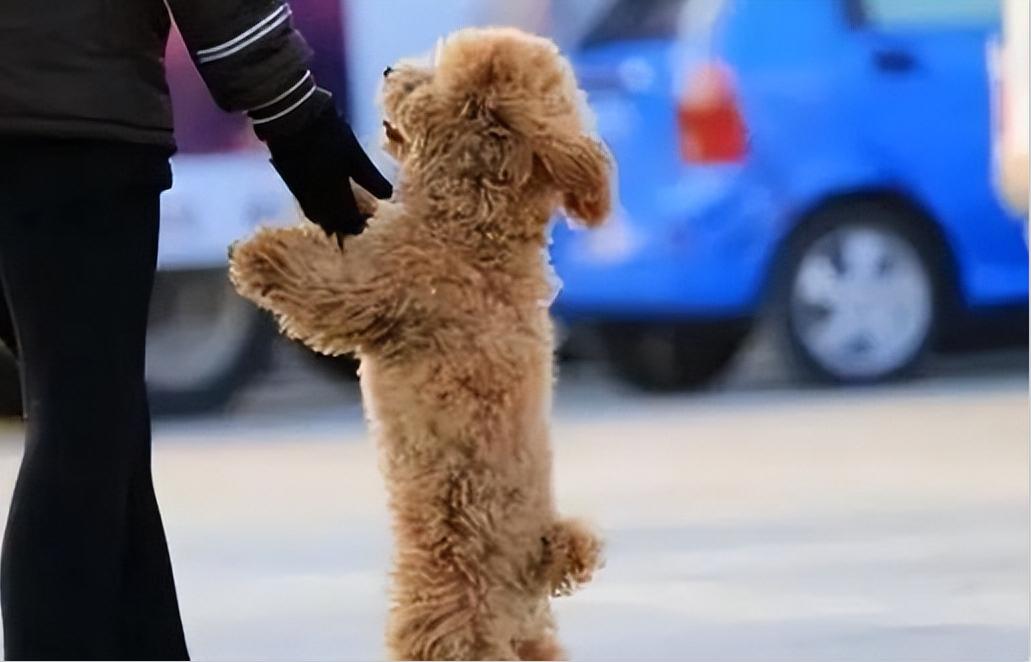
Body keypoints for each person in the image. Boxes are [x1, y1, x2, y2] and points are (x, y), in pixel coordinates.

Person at [0, 1, 392, 659]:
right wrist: (295, 114)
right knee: (84, 430)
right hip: (63, 108)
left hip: (49, 103)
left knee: (106, 434)